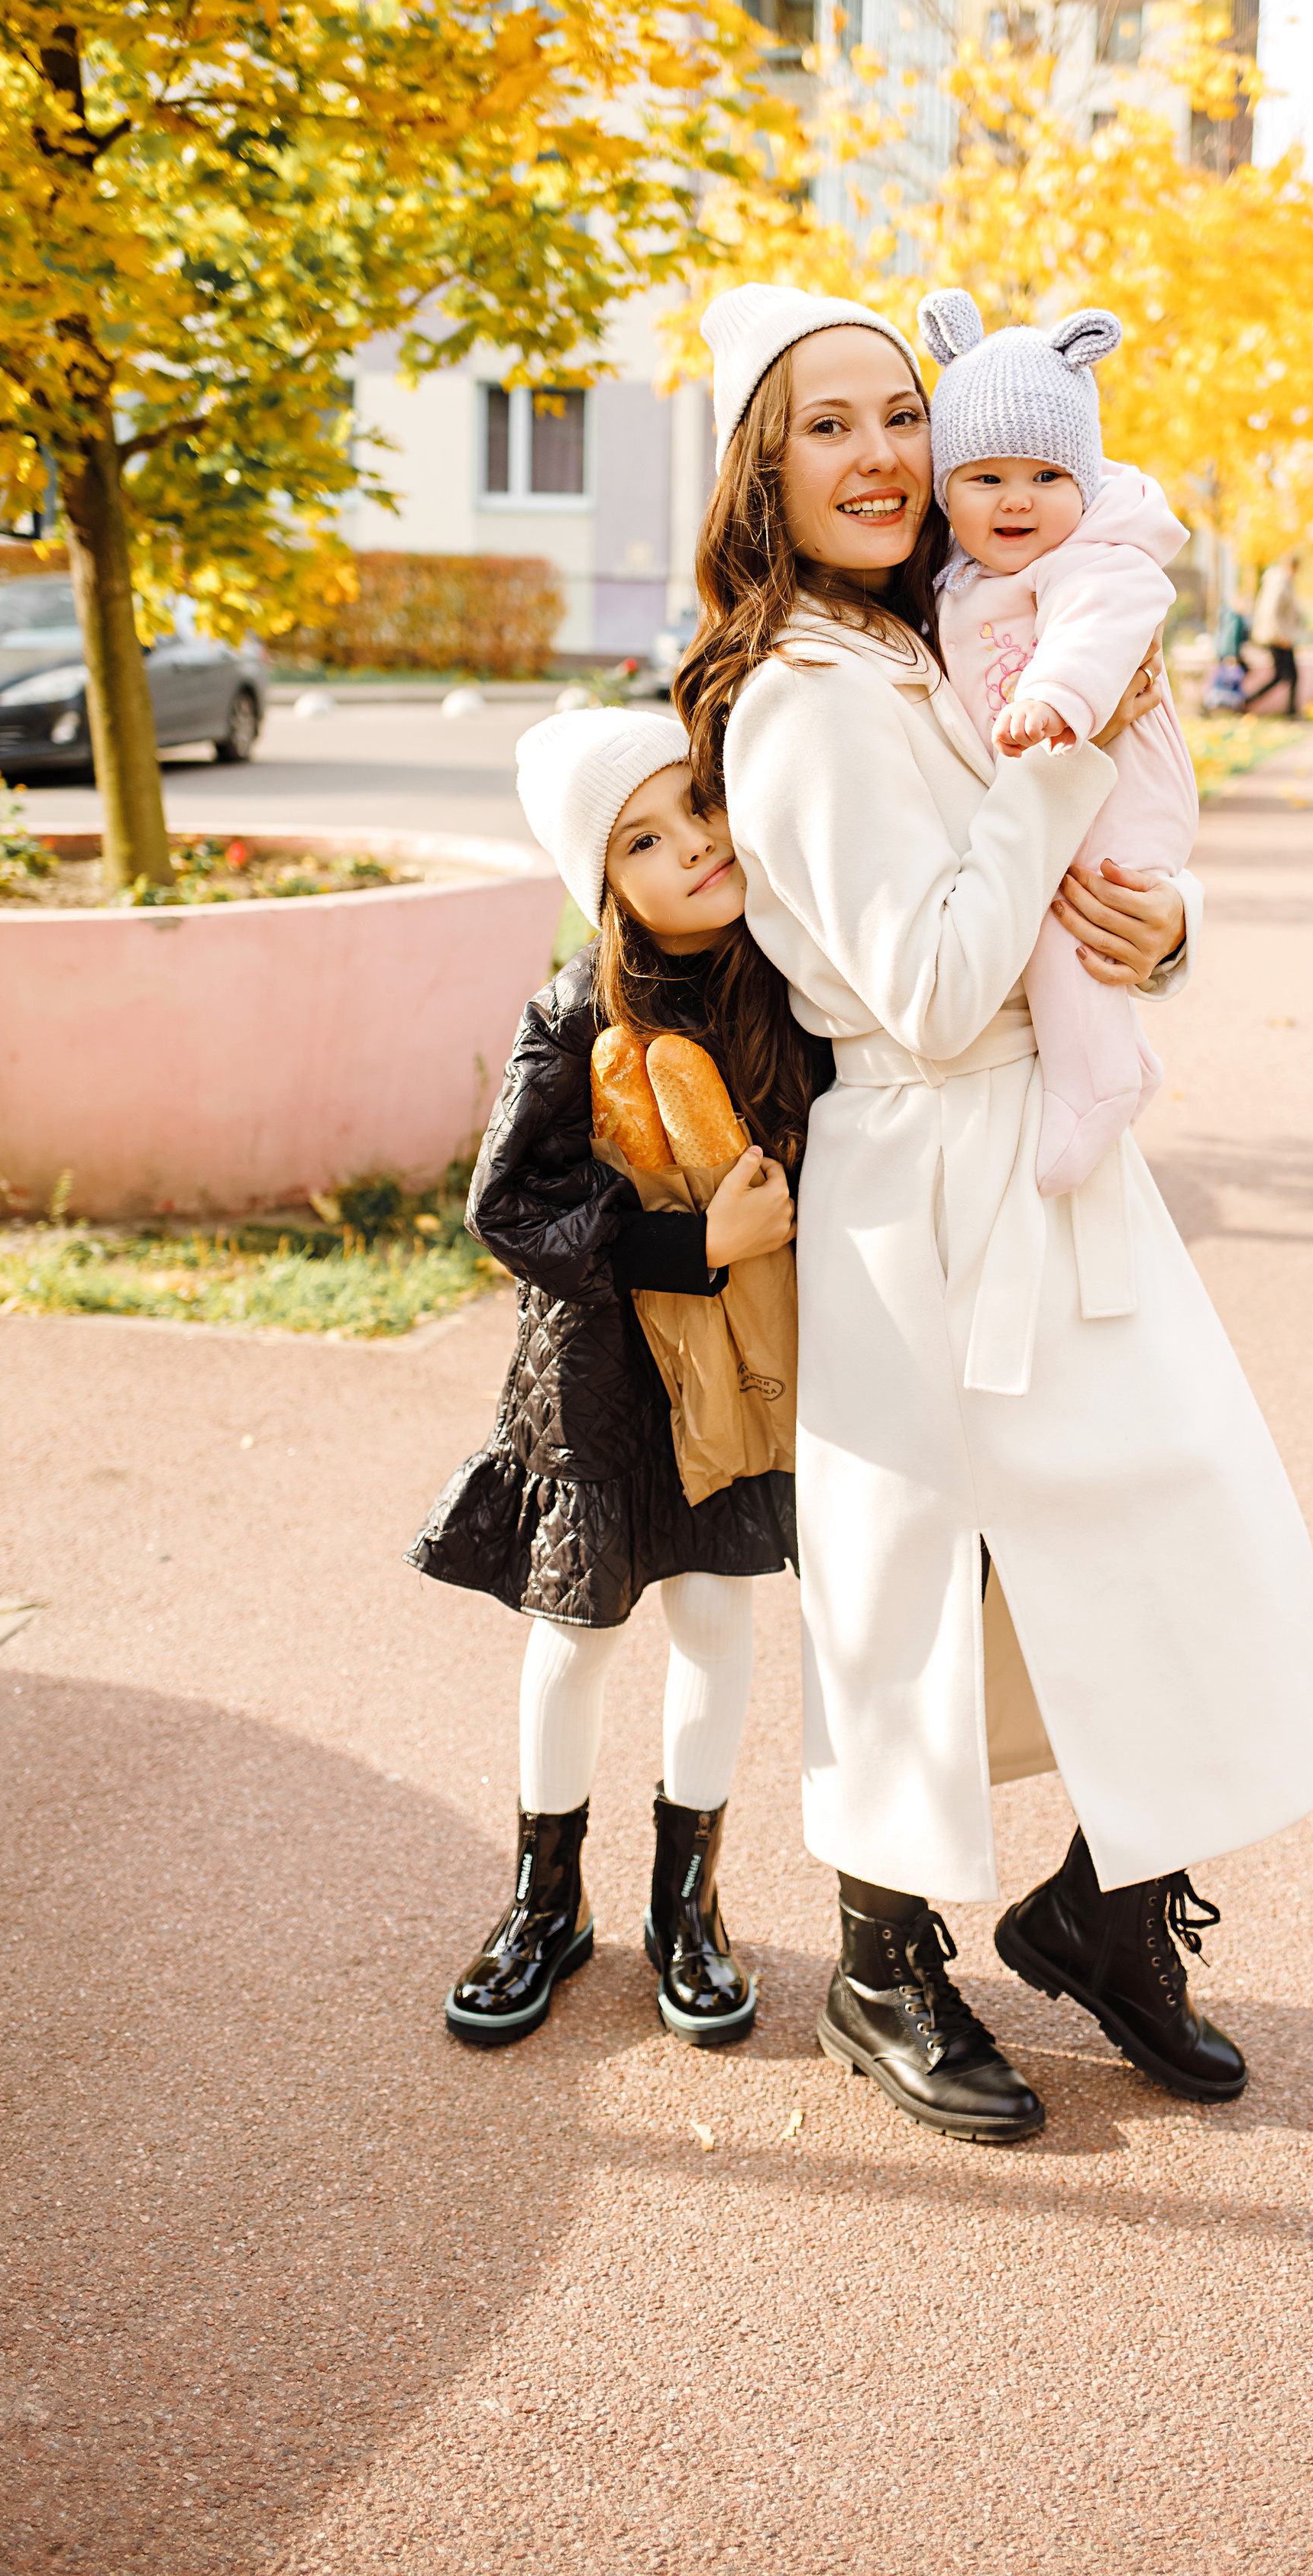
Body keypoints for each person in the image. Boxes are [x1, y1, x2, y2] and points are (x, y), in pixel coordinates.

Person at [674, 283, 1313, 2146]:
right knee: (915, 1587)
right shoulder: (796, 702)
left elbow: (1081, 880)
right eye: (828, 424)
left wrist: (1167, 927)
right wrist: (1061, 751)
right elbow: (940, 974)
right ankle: (881, 1965)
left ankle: (1103, 1911)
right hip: (923, 1182)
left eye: (901, 412)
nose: (882, 452)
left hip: (1044, 1159)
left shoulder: (941, 634)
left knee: (1200, 1537)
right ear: (761, 465)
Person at [408, 710, 810, 2051]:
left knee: (714, 1618)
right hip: (598, 1377)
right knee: (574, 1634)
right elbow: (508, 1209)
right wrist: (690, 1243)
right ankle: (544, 1899)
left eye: (698, 804)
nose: (693, 844)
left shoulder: (792, 975)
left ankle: (686, 1907)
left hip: (742, 1378)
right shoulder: (576, 1010)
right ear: (604, 880)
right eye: (643, 837)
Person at [919, 285, 1201, 1196]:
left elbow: (1104, 622)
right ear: (945, 492)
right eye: (986, 478)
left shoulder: (1099, 556)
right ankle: (1114, 1065)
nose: (1017, 501)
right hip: (1054, 801)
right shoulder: (955, 580)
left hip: (1117, 795)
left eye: (1047, 478)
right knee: (1050, 921)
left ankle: (1100, 1080)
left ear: (1085, 483)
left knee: (1067, 929)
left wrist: (1057, 697)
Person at [1244, 551, 1302, 716]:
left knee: (1285, 676)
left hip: (1281, 636)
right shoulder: (1280, 582)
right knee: (1287, 676)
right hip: (1277, 637)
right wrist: (1280, 635)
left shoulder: (1284, 582)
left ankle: (1290, 711)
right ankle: (1250, 701)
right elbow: (1271, 611)